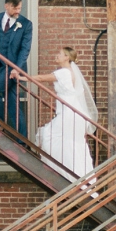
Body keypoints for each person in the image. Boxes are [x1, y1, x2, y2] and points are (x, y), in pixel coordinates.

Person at [21, 46, 98, 183]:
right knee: (71, 145)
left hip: (69, 112)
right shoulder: (70, 72)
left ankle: (65, 176)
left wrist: (21, 77)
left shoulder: (63, 72)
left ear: (67, 57)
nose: (57, 55)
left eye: (60, 54)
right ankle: (78, 179)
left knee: (50, 135)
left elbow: (41, 78)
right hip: (74, 111)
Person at [0, 0, 32, 136]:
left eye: (20, 8)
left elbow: (25, 50)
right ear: (7, 6)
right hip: (1, 66)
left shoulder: (26, 24)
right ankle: (22, 140)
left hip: (13, 68)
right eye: (15, 8)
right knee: (13, 103)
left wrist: (16, 69)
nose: (18, 11)